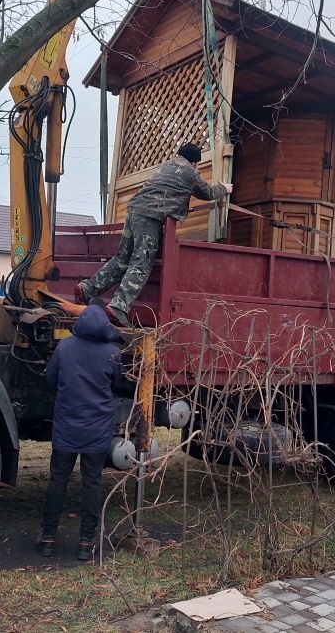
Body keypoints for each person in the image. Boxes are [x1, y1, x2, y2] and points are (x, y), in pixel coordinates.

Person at [75, 142, 232, 325]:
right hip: (150, 217)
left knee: (122, 259)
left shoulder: (164, 166)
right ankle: (119, 306)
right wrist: (224, 189)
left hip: (133, 210)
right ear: (195, 162)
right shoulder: (189, 172)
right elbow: (207, 192)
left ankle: (87, 288)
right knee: (142, 263)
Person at [37, 300, 124, 562]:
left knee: (58, 482)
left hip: (66, 427)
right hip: (97, 430)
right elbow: (116, 384)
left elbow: (50, 380)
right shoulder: (112, 353)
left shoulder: (65, 347)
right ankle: (86, 543)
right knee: (92, 484)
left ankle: (48, 540)